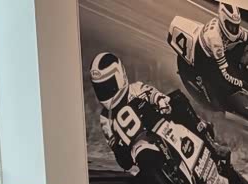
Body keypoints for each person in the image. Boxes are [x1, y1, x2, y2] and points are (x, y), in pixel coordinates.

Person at [89, 51, 230, 172]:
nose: (105, 91)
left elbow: (155, 95)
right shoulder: (105, 118)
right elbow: (122, 159)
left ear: (120, 76)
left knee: (177, 99)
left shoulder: (136, 88)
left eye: (108, 85)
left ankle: (211, 145)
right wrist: (121, 146)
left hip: (164, 129)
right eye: (100, 88)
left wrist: (162, 103)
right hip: (144, 148)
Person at [193, 3, 248, 104]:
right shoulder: (215, 38)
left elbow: (246, 38)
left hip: (219, 52)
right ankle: (214, 100)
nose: (234, 29)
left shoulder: (229, 26)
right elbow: (225, 74)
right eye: (231, 26)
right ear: (223, 20)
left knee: (243, 47)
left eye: (236, 26)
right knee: (224, 88)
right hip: (205, 59)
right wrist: (243, 85)